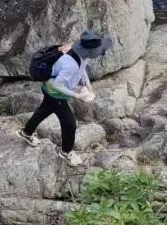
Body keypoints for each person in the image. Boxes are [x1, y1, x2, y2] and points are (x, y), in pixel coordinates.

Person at [19, 30, 111, 163]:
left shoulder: (78, 52)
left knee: (43, 111)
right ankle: (66, 153)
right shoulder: (70, 65)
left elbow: (82, 68)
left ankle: (26, 133)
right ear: (89, 51)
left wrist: (88, 85)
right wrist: (77, 95)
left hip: (49, 88)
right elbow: (57, 85)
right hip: (55, 93)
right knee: (69, 124)